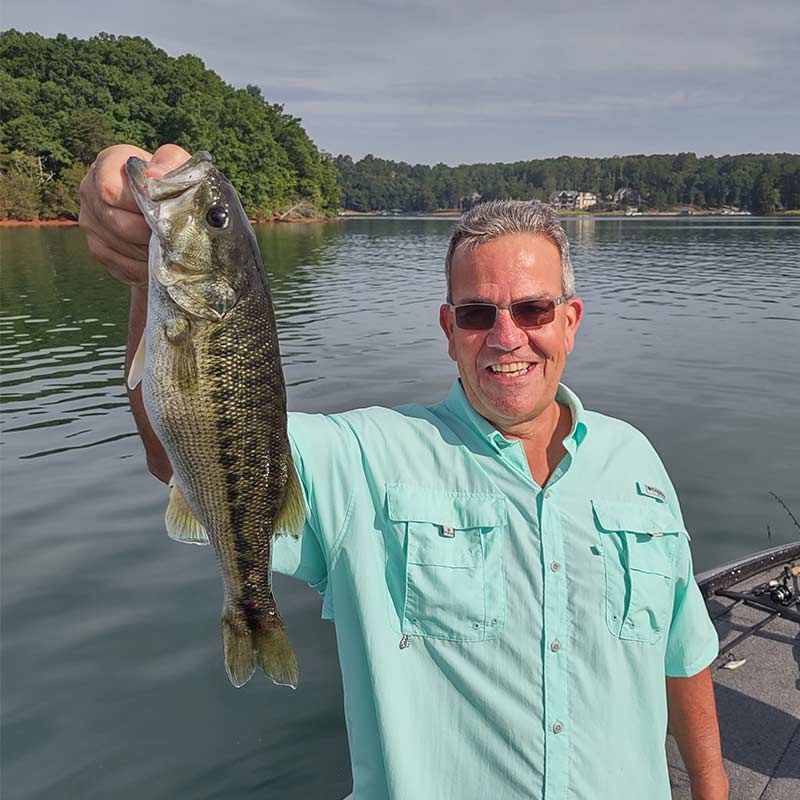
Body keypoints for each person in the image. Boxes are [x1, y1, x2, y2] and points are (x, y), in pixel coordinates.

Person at [80, 144, 729, 800]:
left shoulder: (635, 462)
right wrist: (139, 259)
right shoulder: (367, 460)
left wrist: (713, 789)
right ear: (449, 329)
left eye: (532, 310)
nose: (507, 337)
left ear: (570, 322)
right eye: (478, 314)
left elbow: (682, 650)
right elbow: (180, 452)